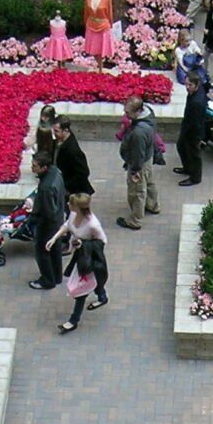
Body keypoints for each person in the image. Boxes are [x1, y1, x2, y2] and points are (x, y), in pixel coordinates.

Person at [50, 193, 109, 332]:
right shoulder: (73, 214)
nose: (68, 205)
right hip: (80, 255)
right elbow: (67, 226)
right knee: (94, 282)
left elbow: (103, 241)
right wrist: (54, 238)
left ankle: (73, 320)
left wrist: (84, 244)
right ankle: (102, 296)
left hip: (89, 258)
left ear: (77, 206)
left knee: (81, 289)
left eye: (71, 203)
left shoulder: (93, 224)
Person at [26, 150, 69, 291]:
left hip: (47, 225)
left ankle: (47, 280)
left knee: (42, 251)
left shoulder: (45, 188)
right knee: (55, 248)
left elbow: (47, 211)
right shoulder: (56, 172)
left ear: (44, 167)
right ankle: (56, 275)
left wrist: (33, 219)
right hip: (57, 219)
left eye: (35, 166)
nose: (32, 168)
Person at [117, 94, 159, 232]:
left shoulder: (138, 133)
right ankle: (152, 205)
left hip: (139, 163)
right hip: (148, 157)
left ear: (137, 111)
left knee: (137, 191)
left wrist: (135, 171)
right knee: (150, 182)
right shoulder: (148, 113)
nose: (125, 115)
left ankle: (135, 220)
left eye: (128, 112)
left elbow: (137, 155)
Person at [177, 72, 209, 188]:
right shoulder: (194, 93)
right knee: (181, 147)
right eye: (186, 84)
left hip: (193, 132)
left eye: (190, 85)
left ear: (196, 85)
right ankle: (187, 168)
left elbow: (194, 123)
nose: (187, 87)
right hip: (189, 127)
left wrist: (187, 133)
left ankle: (195, 177)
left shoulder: (197, 102)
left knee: (193, 154)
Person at [53, 117, 93, 196]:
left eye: (56, 131)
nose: (54, 133)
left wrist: (66, 186)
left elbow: (83, 172)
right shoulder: (61, 141)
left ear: (65, 131)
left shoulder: (73, 150)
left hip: (72, 191)